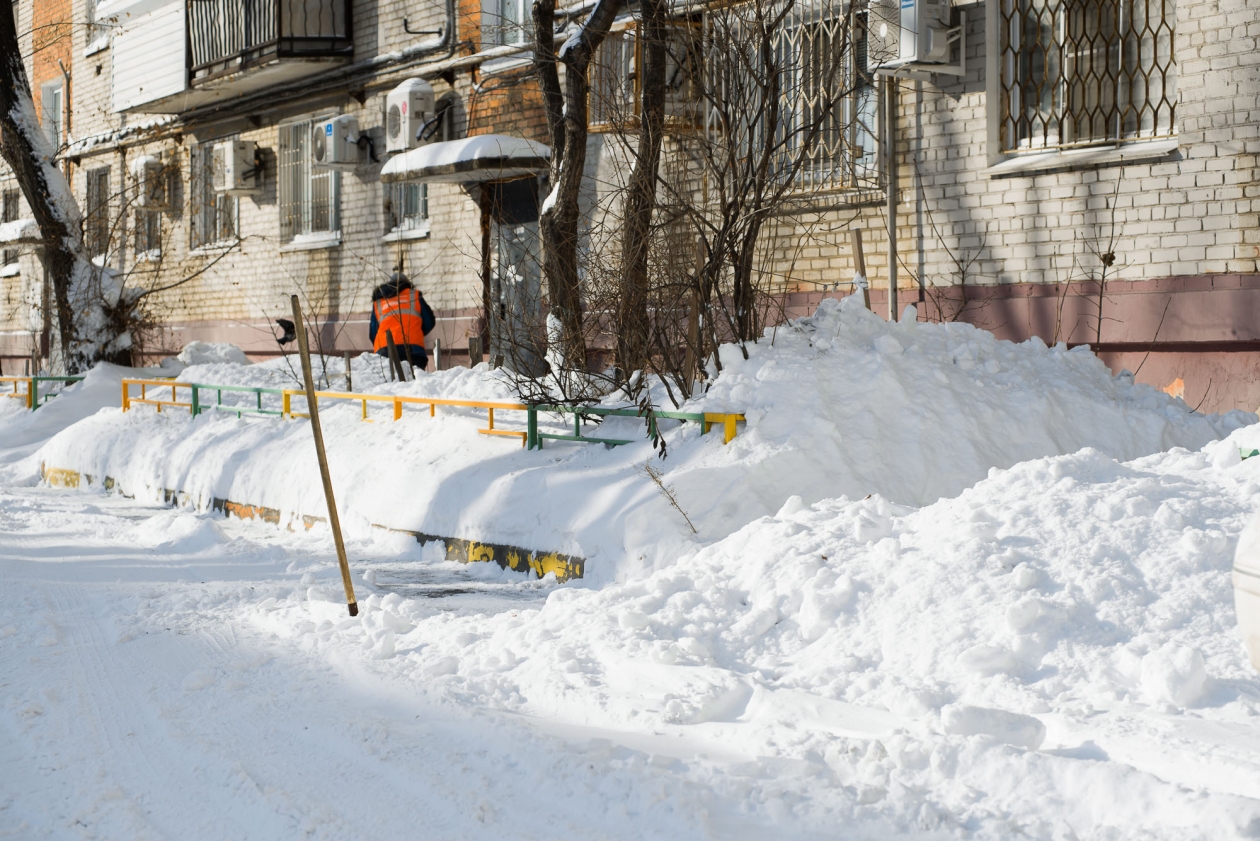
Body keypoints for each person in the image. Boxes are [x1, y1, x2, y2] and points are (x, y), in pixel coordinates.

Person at [369, 272, 435, 371]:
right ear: (407, 283)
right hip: (413, 348)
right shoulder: (414, 295)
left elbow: (373, 333)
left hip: (385, 349)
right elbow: (429, 321)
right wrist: (416, 331)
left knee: (388, 384)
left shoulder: (378, 302)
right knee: (414, 382)